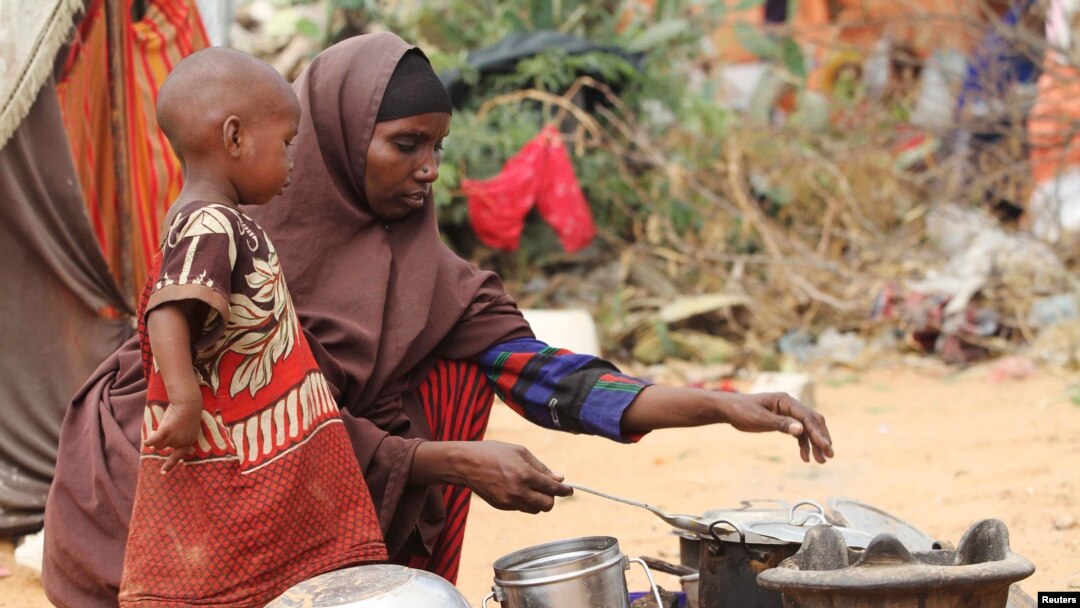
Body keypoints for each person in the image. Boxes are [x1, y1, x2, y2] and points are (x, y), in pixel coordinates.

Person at [42, 32, 833, 607]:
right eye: (405, 144)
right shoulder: (234, 242)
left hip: (304, 490)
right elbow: (257, 422)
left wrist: (720, 407)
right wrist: (447, 461)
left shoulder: (431, 278)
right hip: (172, 492)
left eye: (438, 148)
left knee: (456, 366)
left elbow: (553, 381)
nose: (429, 169)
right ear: (335, 142)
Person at [118, 48, 386, 607]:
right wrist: (185, 400)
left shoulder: (213, 217)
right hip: (239, 442)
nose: (293, 162)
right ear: (235, 137)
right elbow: (169, 307)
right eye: (287, 144)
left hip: (261, 436)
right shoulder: (210, 220)